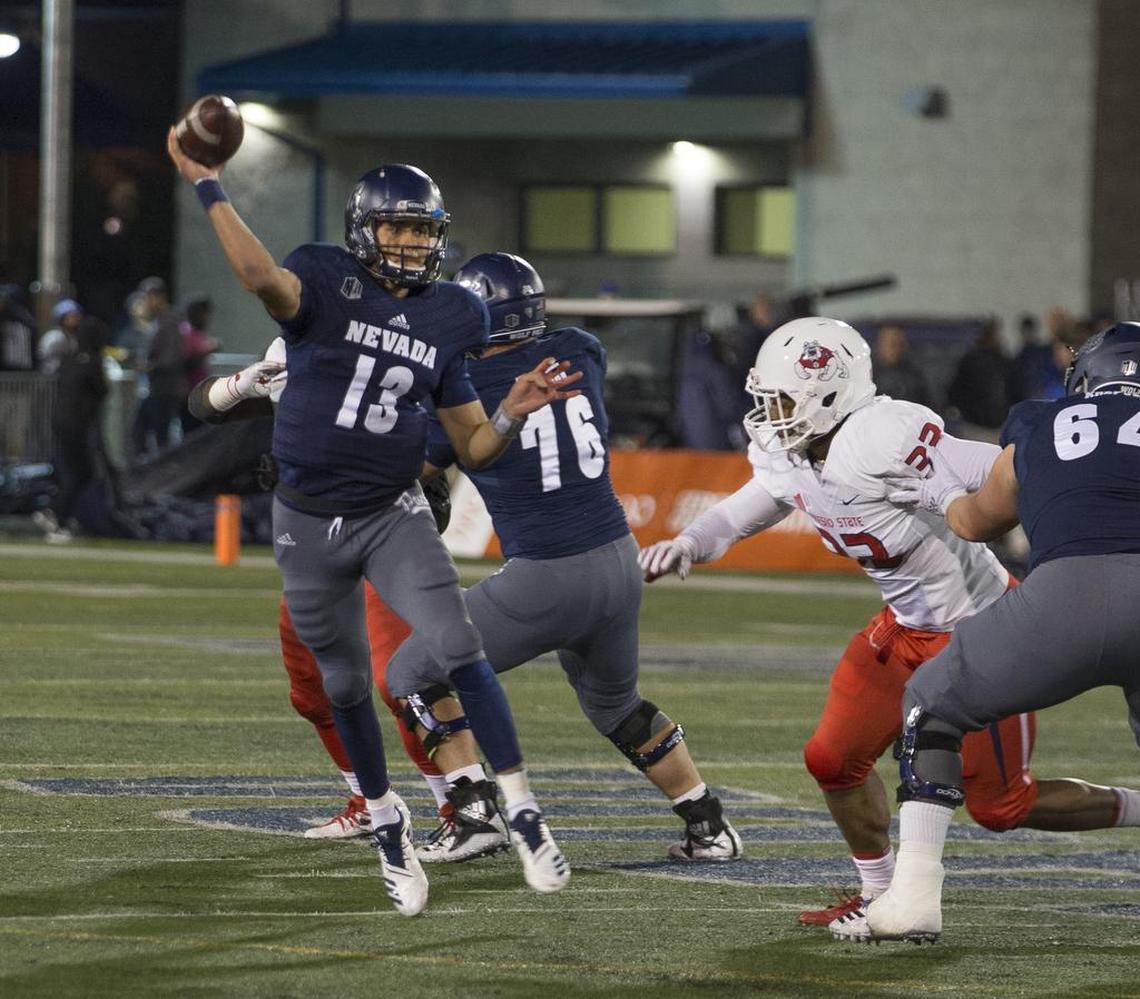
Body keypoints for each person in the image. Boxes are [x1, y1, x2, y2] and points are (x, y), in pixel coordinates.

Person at [168, 130, 576, 916]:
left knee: (428, 660)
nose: (413, 242)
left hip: (394, 509)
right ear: (364, 231)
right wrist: (243, 383)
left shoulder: (451, 314)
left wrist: (510, 414)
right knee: (327, 681)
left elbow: (468, 441)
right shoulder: (315, 288)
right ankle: (378, 810)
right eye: (398, 227)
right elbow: (209, 392)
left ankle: (487, 801)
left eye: (425, 230)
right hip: (307, 515)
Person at [638, 316, 1140, 930]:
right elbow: (765, 495)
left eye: (782, 398)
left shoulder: (886, 435)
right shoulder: (788, 447)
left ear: (828, 393)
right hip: (902, 628)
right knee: (832, 760)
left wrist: (953, 495)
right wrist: (691, 541)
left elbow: (1004, 467)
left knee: (1003, 807)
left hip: (975, 622)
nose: (769, 412)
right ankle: (879, 894)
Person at [384, 252, 742, 864]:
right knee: (616, 706)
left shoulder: (465, 391)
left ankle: (474, 815)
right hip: (617, 562)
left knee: (411, 674)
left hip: (547, 574)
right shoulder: (580, 350)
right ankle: (708, 824)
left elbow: (409, 470)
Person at [830, 323, 1140, 943]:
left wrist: (941, 489)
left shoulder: (1036, 420)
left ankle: (914, 894)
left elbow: (975, 522)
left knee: (933, 699)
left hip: (1062, 601)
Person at [188, 341, 462, 842]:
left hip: (386, 526)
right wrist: (237, 386)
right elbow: (202, 406)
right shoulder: (295, 345)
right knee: (309, 686)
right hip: (316, 538)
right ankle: (370, 801)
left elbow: (442, 432)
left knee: (400, 679)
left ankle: (459, 807)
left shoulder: (384, 347)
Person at [33, 316, 111, 543]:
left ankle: (56, 513)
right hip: (76, 424)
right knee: (81, 472)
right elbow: (103, 391)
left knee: (74, 471)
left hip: (61, 422)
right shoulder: (93, 362)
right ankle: (55, 514)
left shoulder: (69, 359)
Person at [179, 294, 221, 436]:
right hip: (189, 395)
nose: (206, 318)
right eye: (204, 313)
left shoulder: (198, 333)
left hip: (200, 394)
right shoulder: (186, 333)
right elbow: (186, 363)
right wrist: (206, 350)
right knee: (191, 435)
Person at [871, 324, 929, 407]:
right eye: (890, 343)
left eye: (899, 343)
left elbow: (927, 407)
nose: (894, 348)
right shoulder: (866, 375)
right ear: (879, 344)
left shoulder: (914, 376)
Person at [38, 299, 83, 376]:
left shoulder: (72, 337)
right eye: (73, 316)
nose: (77, 319)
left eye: (77, 315)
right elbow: (49, 364)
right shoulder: (55, 337)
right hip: (50, 378)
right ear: (62, 319)